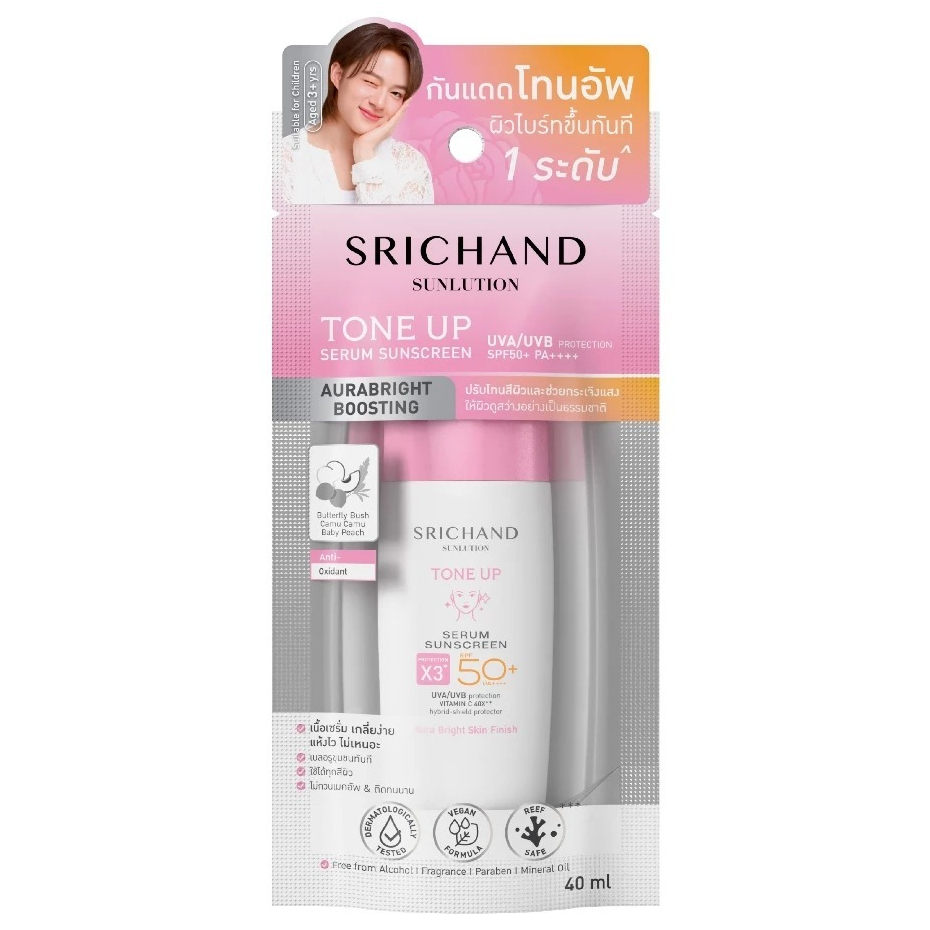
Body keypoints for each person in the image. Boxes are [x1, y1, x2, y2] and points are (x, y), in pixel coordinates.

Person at [282, 23, 434, 204]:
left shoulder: (409, 165)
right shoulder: (283, 160)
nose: (379, 103)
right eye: (370, 82)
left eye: (395, 93)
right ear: (338, 75)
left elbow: (391, 225)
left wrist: (365, 155)